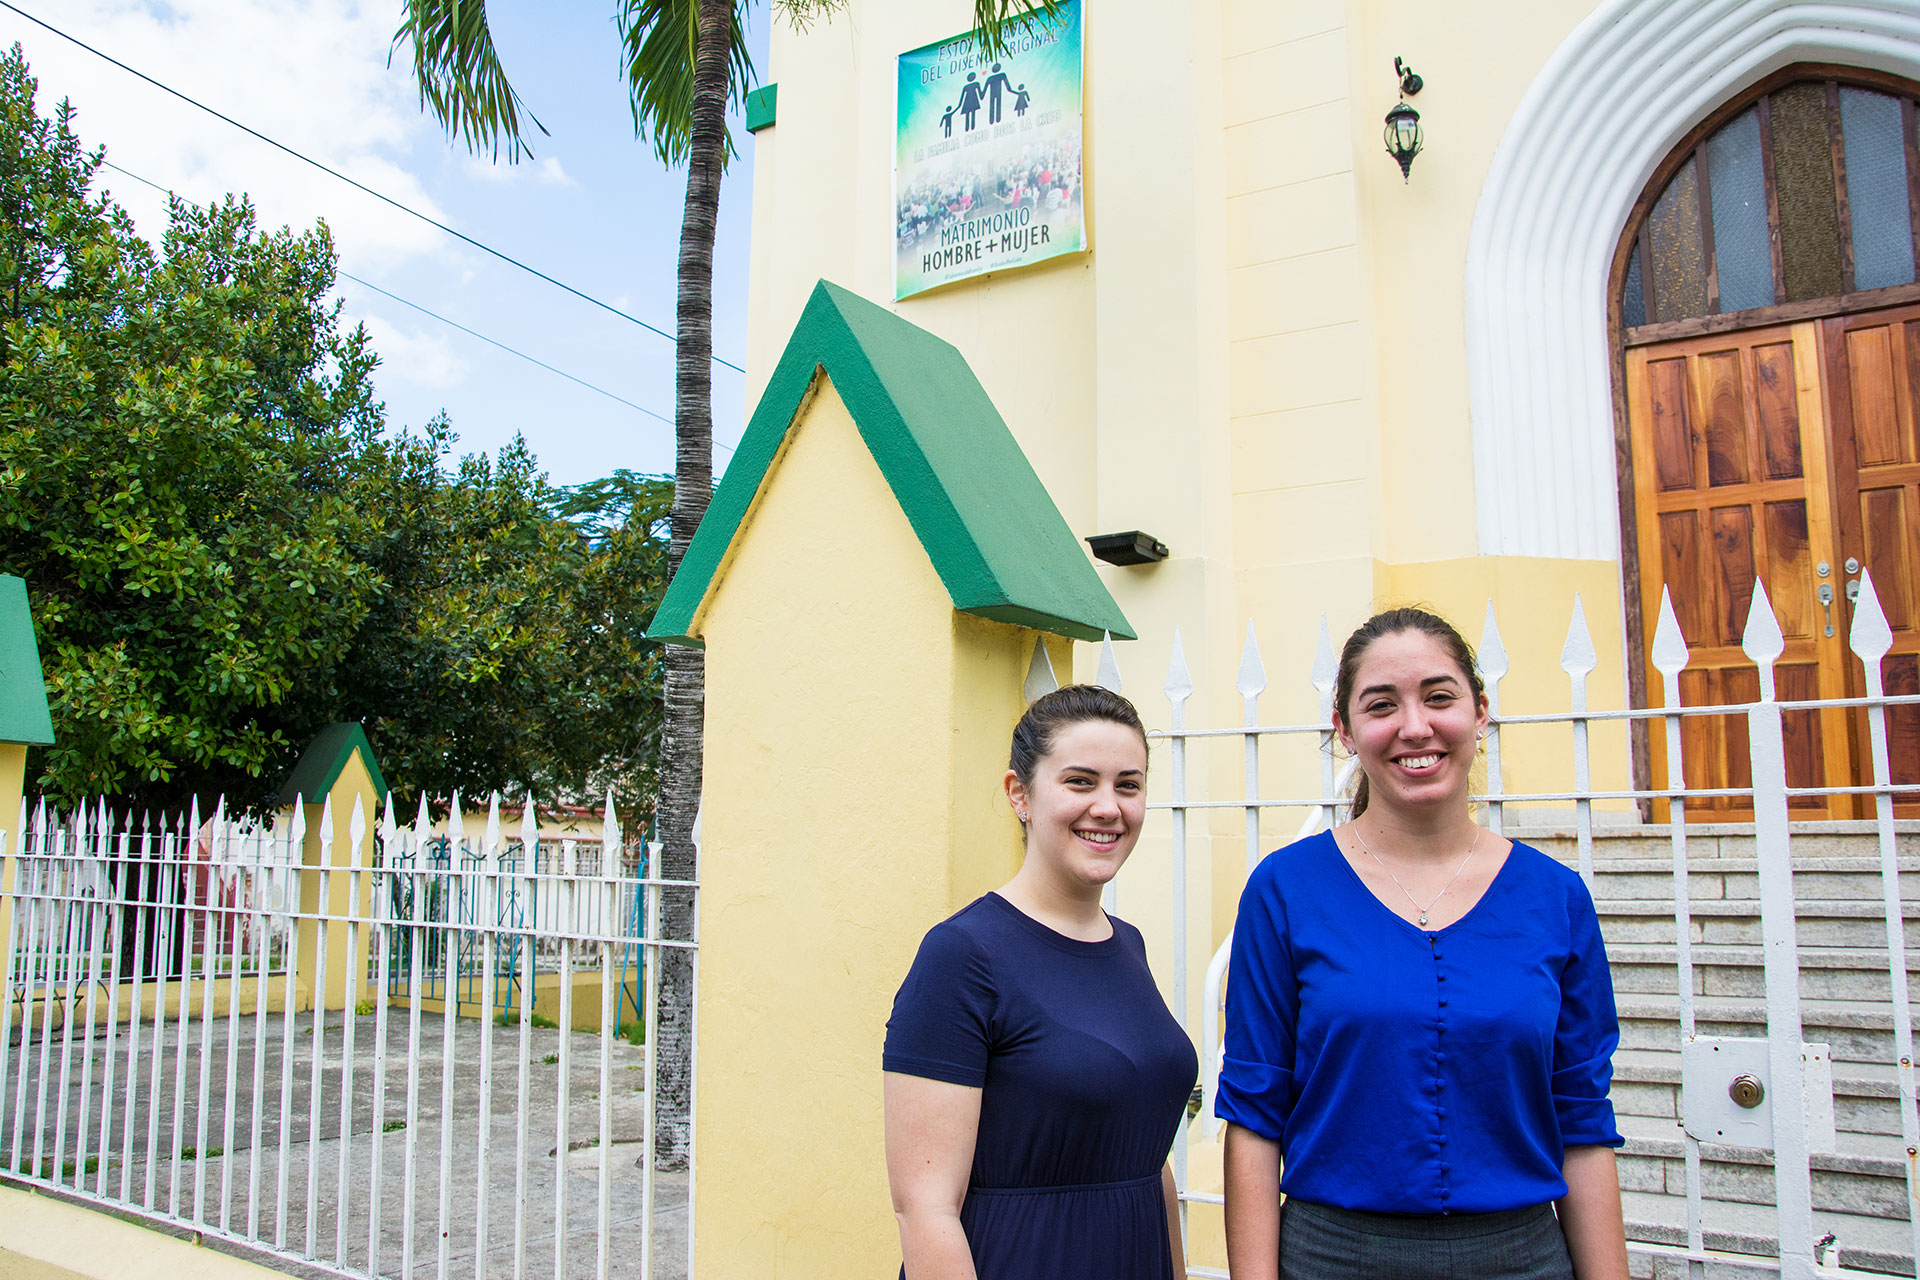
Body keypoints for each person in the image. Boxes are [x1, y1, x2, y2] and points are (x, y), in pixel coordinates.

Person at [1218, 608, 1628, 1280]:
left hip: (1521, 1260)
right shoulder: (1285, 891)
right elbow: (1255, 1115)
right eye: (1382, 705)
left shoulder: (1555, 898)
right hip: (1331, 1260)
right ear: (1345, 731)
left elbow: (1582, 1118)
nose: (1415, 726)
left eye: (1439, 697)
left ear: (1480, 712)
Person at [884, 685, 1200, 1280]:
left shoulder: (1128, 945)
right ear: (1019, 794)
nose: (1108, 806)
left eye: (1127, 785)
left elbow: (1146, 1156)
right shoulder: (961, 955)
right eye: (1080, 781)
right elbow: (924, 1207)